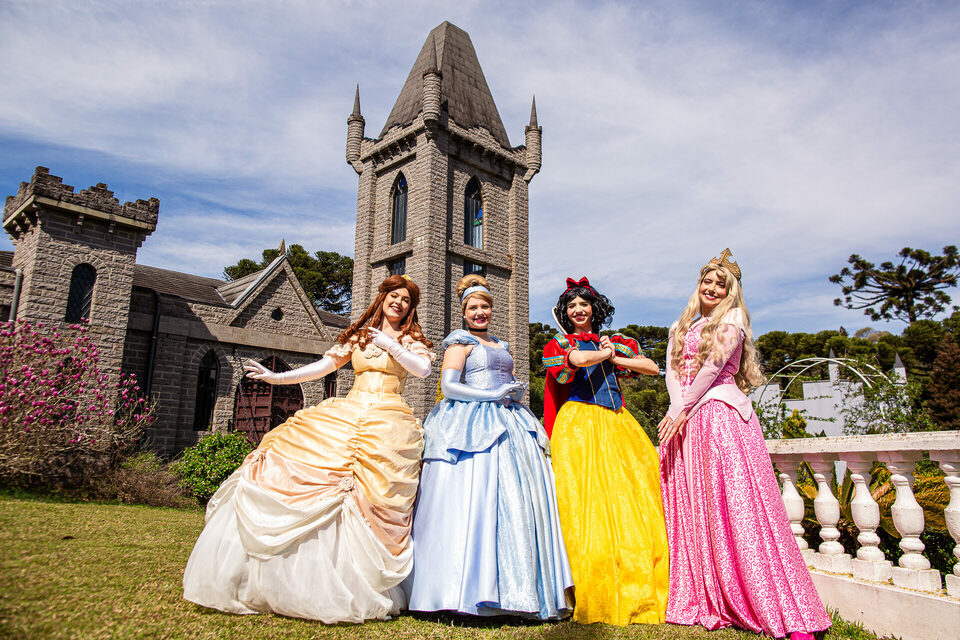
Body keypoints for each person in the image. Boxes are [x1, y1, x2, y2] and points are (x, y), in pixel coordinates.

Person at [182, 275, 435, 624]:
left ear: (411, 307)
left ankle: (358, 578)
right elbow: (324, 366)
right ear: (383, 298)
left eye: (406, 300)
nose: (400, 303)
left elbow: (421, 370)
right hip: (350, 409)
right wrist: (277, 378)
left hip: (388, 419)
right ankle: (291, 577)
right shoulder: (359, 335)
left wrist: (393, 346)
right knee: (302, 468)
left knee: (371, 496)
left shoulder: (412, 340)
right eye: (395, 296)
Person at [658, 249, 830, 639]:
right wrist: (676, 408)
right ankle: (712, 595)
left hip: (719, 416)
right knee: (702, 508)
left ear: (731, 291)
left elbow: (714, 367)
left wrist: (680, 407)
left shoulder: (733, 319)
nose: (713, 288)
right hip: (689, 420)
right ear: (698, 284)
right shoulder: (682, 324)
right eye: (708, 281)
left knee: (737, 506)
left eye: (722, 284)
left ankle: (779, 608)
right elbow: (672, 370)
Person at [404, 274, 573, 619]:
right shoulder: (459, 343)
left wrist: (511, 390)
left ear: (491, 310)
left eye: (484, 307)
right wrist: (489, 394)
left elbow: (502, 378)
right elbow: (450, 386)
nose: (479, 312)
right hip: (470, 422)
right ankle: (458, 591)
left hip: (510, 420)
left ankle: (521, 591)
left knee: (517, 499)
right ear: (464, 312)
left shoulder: (502, 344)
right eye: (473, 307)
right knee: (472, 497)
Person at [542, 276, 669, 626]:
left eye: (583, 304)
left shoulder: (619, 341)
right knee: (588, 502)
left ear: (593, 308)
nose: (578, 310)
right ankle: (588, 584)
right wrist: (605, 354)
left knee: (629, 499)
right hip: (580, 426)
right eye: (572, 306)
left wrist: (617, 355)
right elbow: (576, 362)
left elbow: (652, 367)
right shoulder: (558, 344)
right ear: (565, 313)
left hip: (617, 424)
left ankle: (632, 579)